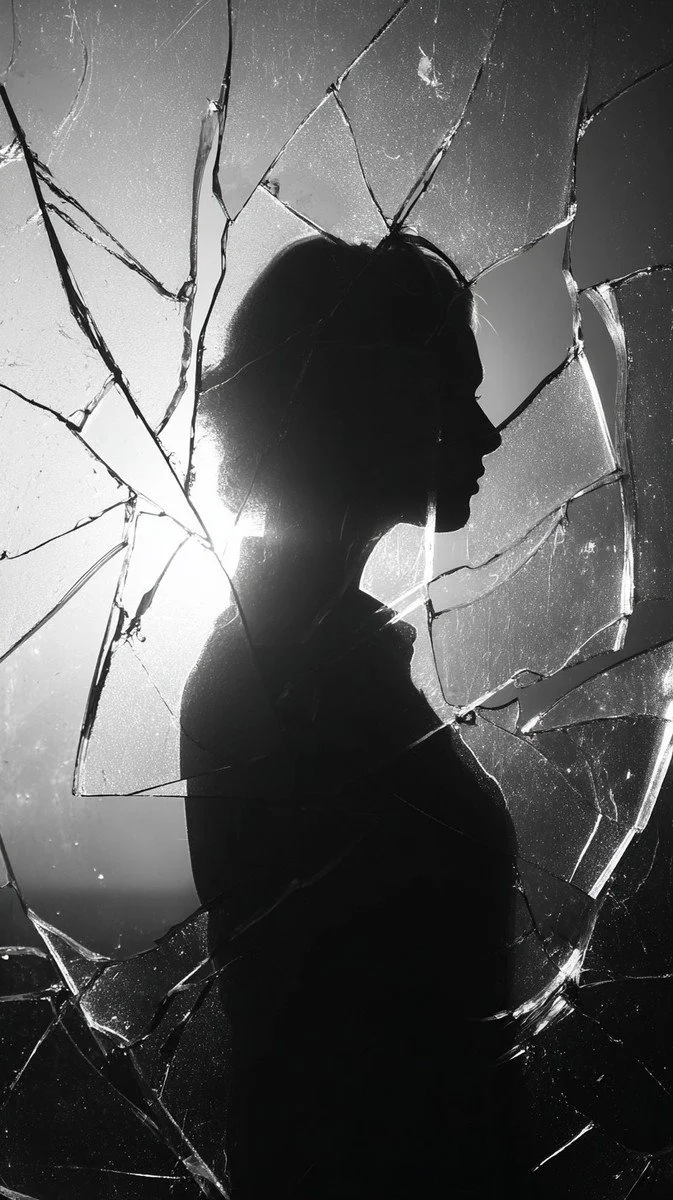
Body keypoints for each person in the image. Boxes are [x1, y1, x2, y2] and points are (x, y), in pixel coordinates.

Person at [181, 231, 522, 1197]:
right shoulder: (278, 671)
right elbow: (338, 1058)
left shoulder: (321, 655)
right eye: (453, 389)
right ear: (366, 400)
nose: (487, 433)